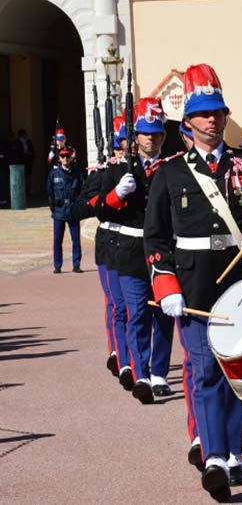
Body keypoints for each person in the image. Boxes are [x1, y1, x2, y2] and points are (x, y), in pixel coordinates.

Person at [144, 64, 242, 500]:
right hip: (193, 286)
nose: (212, 121)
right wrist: (166, 286)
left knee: (239, 370)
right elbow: (156, 237)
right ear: (187, 122)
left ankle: (235, 452)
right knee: (205, 370)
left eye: (218, 113)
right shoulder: (168, 173)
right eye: (203, 114)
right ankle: (215, 458)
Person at [97, 97, 176, 405]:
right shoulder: (118, 170)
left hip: (164, 251)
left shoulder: (171, 168)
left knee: (164, 315)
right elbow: (99, 209)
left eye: (156, 133)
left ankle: (159, 372)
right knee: (137, 313)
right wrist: (118, 193)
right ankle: (141, 372)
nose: (151, 138)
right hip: (130, 251)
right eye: (145, 133)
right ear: (135, 137)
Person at [74, 115, 129, 377]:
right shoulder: (102, 172)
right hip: (110, 243)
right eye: (122, 144)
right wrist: (108, 199)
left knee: (140, 308)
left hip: (140, 245)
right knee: (117, 304)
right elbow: (79, 208)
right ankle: (119, 352)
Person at [46, 146, 83, 274]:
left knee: (76, 239)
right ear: (59, 158)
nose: (65, 158)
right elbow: (50, 193)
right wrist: (53, 207)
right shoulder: (53, 174)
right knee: (57, 240)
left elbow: (82, 191)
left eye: (67, 156)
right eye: (63, 156)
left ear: (71, 157)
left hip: (73, 210)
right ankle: (57, 265)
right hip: (59, 210)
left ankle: (76, 265)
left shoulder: (77, 173)